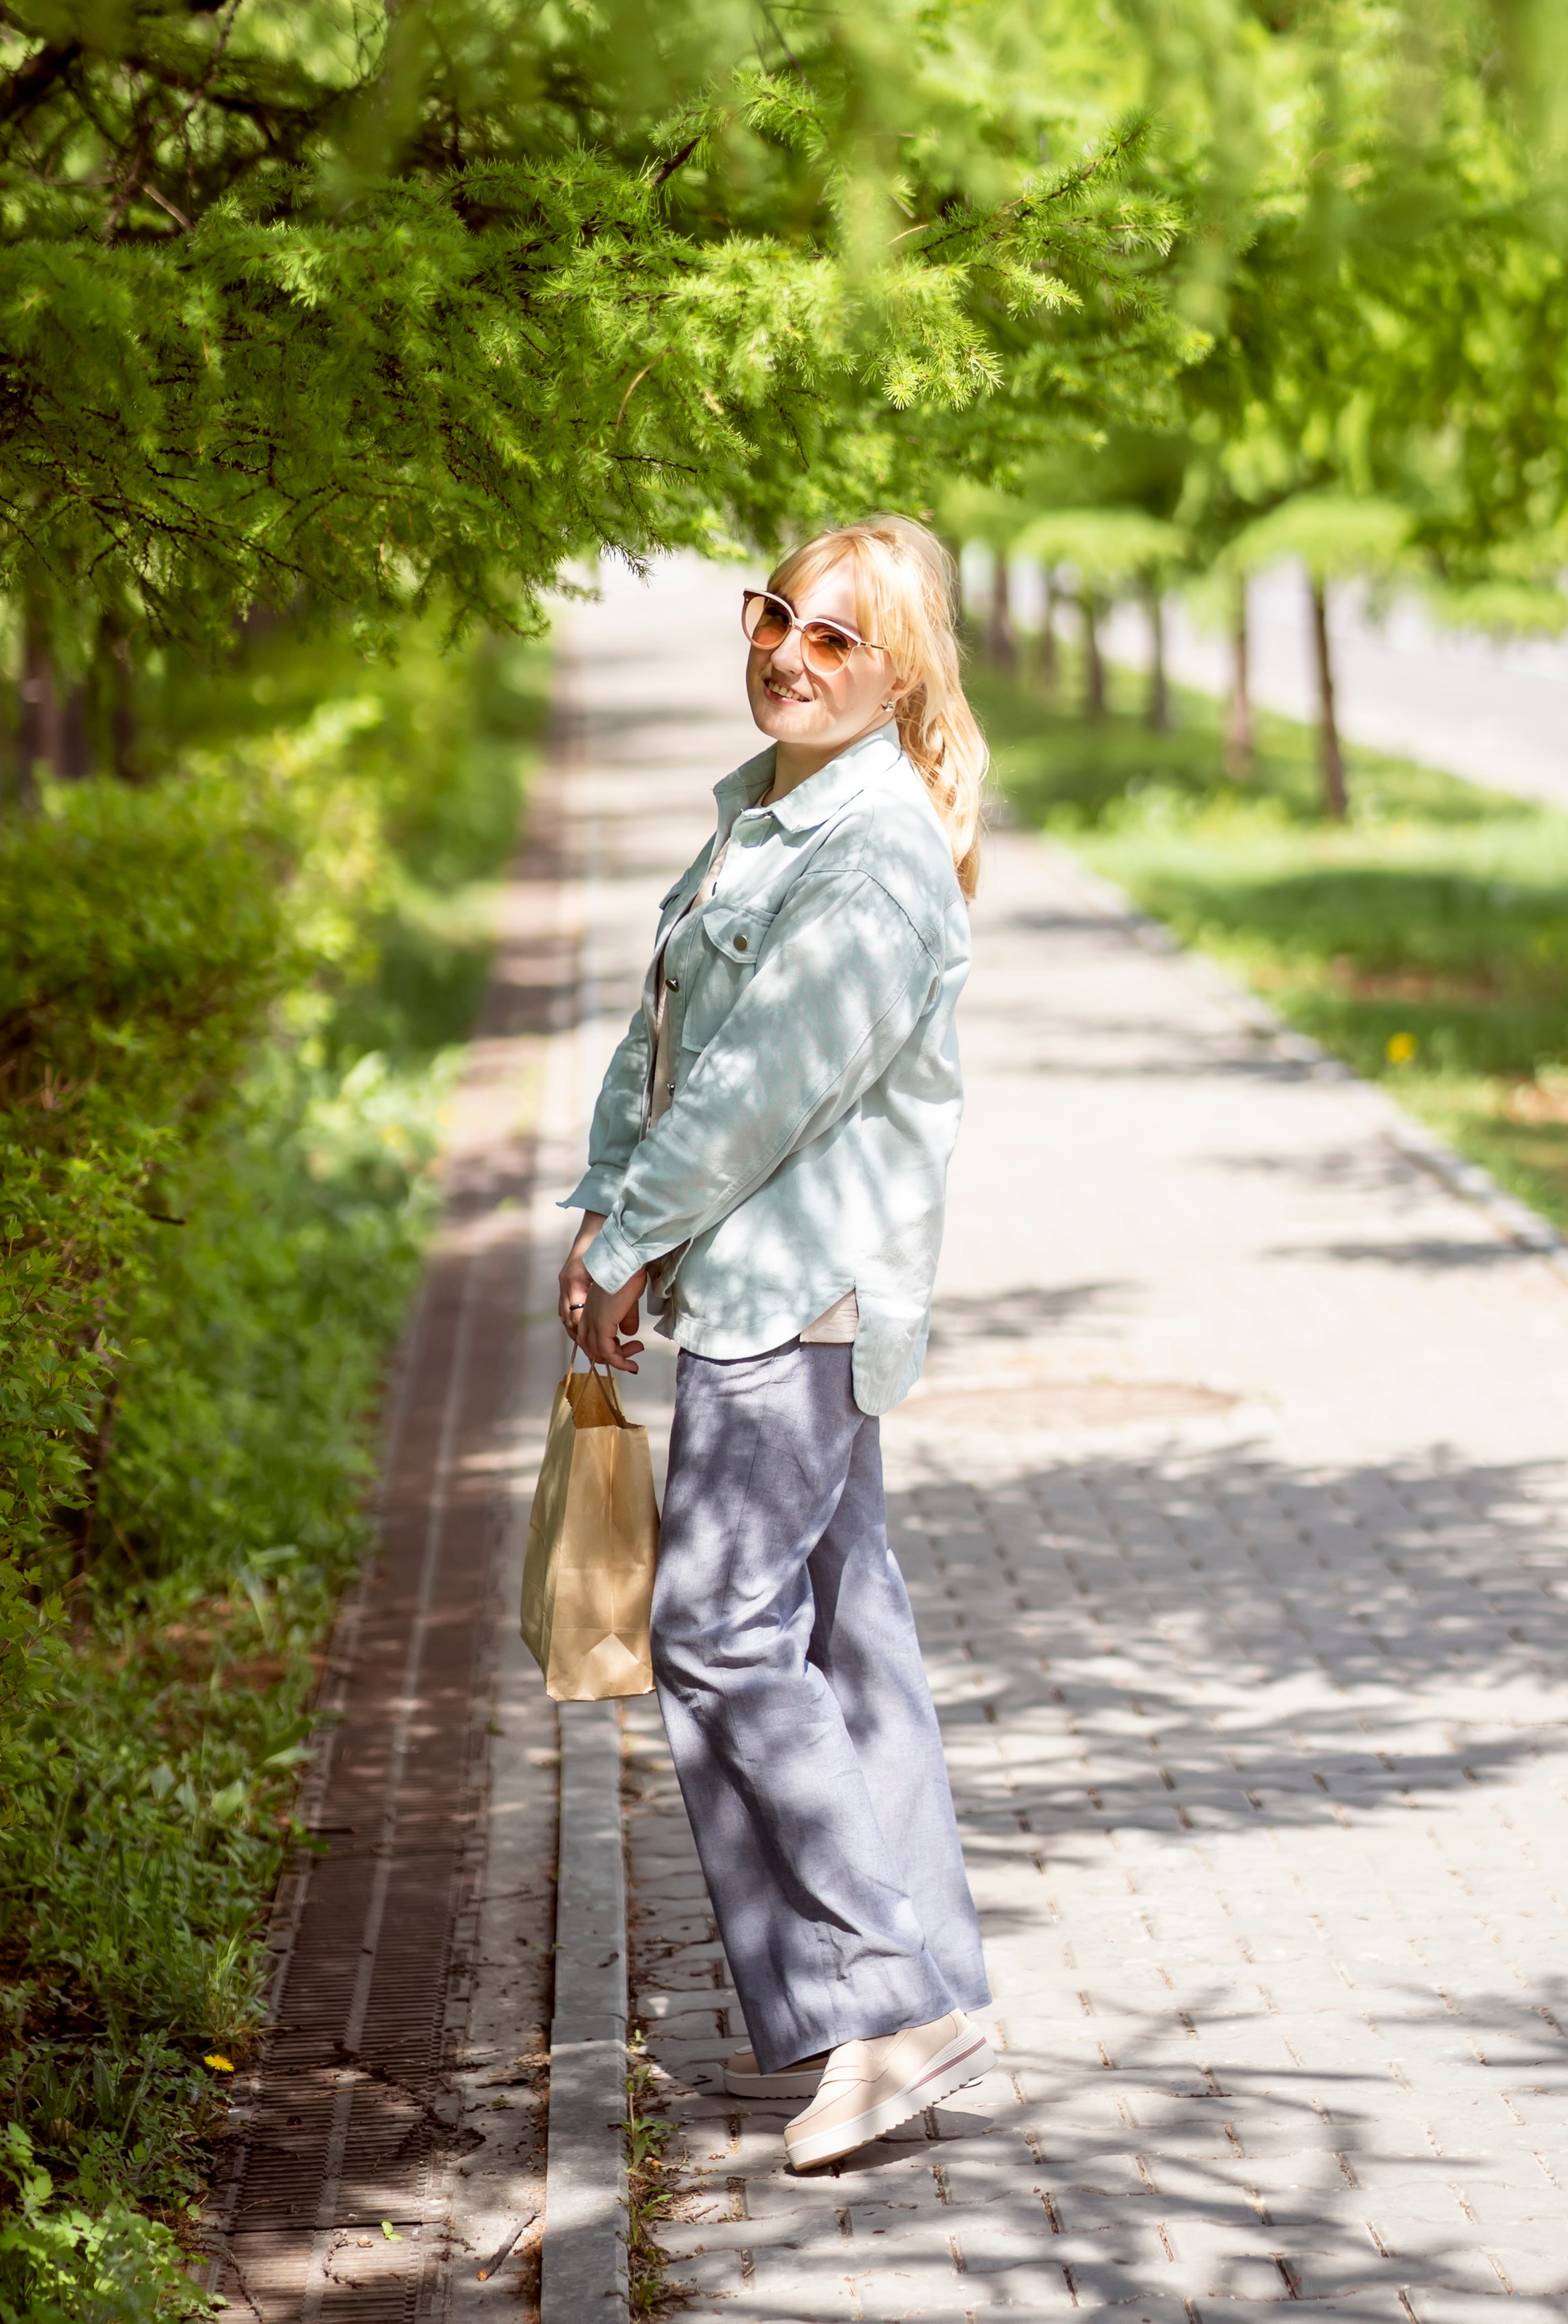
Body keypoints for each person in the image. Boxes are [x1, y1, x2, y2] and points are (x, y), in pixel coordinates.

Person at [557, 517, 993, 2172]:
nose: (786, 657)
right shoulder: (762, 818)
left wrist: (636, 1233)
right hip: (751, 1281)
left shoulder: (868, 848)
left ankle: (888, 2000)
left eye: (834, 641)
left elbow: (754, 1095)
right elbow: (660, 1040)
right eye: (773, 619)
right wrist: (603, 1198)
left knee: (721, 1633)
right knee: (843, 1635)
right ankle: (893, 1999)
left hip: (790, 1293)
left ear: (899, 674)